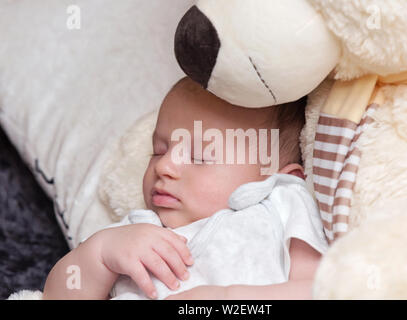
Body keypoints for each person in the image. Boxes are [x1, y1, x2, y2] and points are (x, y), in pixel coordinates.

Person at [42, 77, 327, 300]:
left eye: (200, 157)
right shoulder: (140, 231)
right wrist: (100, 253)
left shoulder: (280, 205)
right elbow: (55, 296)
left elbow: (319, 290)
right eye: (158, 150)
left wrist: (229, 298)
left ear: (277, 179)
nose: (164, 166)